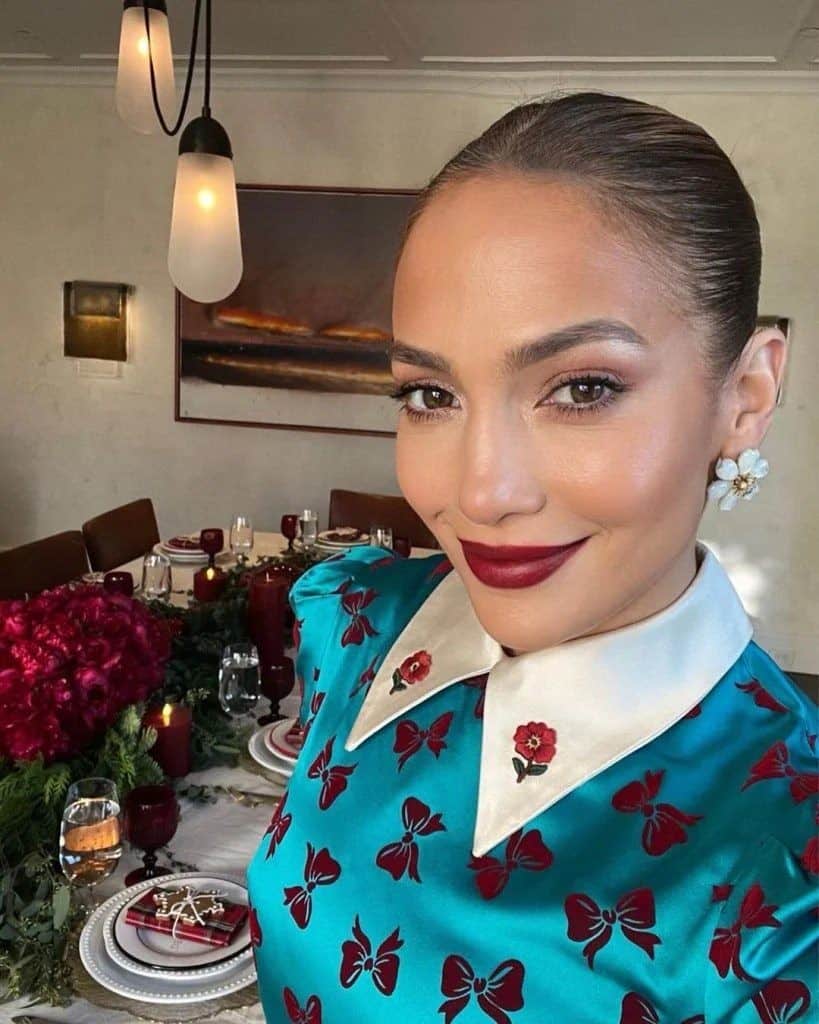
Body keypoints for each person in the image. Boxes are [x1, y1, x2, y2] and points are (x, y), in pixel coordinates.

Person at [246, 91, 817, 1023]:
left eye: (581, 388)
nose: (480, 494)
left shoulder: (787, 891)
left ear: (745, 395)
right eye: (429, 394)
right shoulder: (352, 622)